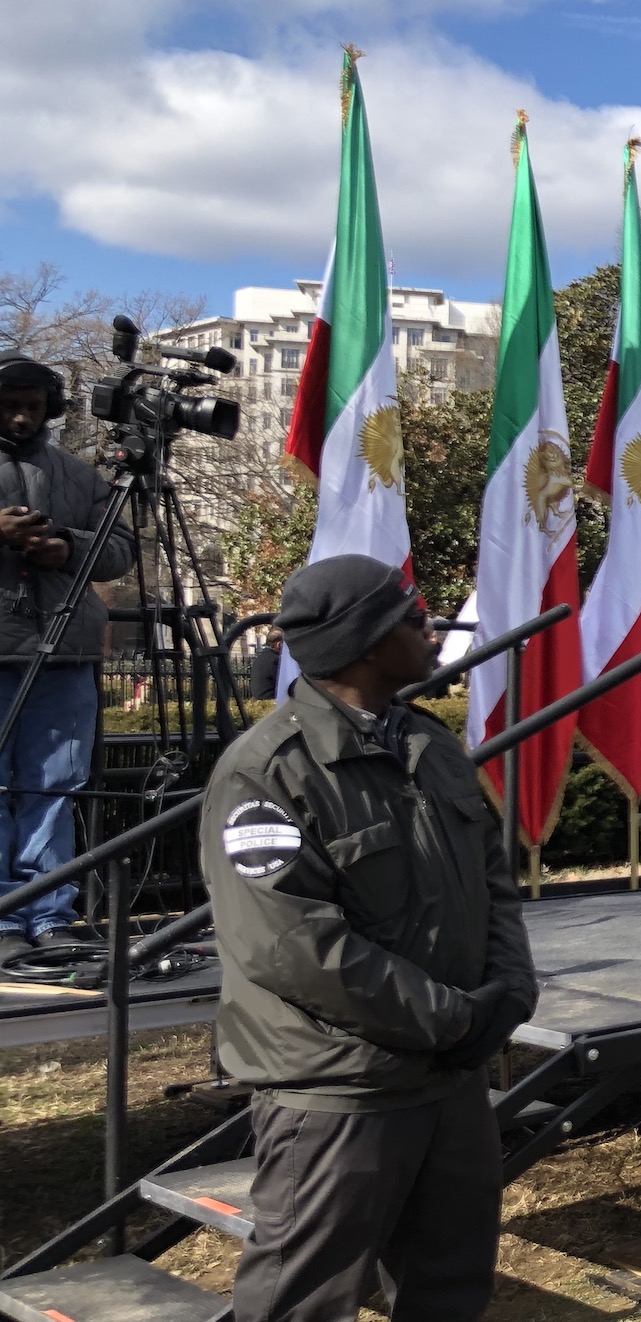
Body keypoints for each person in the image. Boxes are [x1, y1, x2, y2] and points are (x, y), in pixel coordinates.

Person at [203, 555, 536, 1322]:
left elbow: (493, 882)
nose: (430, 628)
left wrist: (510, 991)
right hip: (343, 1091)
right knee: (304, 1299)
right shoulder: (267, 774)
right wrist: (453, 1019)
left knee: (450, 1287)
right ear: (365, 643)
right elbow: (291, 948)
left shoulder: (428, 745)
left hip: (448, 1083)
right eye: (412, 616)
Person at [0, 351, 137, 963]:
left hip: (62, 652)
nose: (23, 418)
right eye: (11, 407)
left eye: (33, 407)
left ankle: (51, 912)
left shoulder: (79, 475)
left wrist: (65, 546)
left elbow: (120, 550)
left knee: (56, 784)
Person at [250, 628, 284, 702]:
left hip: (258, 701)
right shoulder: (276, 659)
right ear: (278, 644)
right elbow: (284, 682)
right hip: (272, 701)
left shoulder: (259, 658)